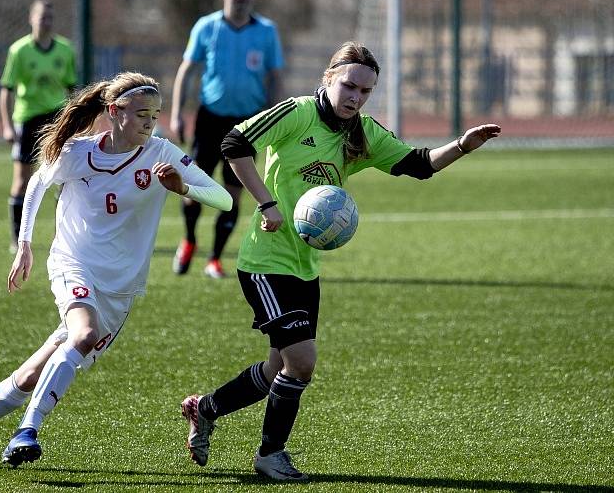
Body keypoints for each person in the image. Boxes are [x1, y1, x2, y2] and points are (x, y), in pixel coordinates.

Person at [179, 41, 502, 482]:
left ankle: (206, 408)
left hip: (304, 265)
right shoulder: (295, 113)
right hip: (264, 260)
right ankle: (270, 455)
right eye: (349, 85)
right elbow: (234, 143)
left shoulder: (360, 132)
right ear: (328, 78)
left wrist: (463, 145)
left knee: (278, 367)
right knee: (302, 362)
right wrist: (267, 203)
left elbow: (420, 164)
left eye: (365, 91)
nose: (355, 96)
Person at [0, 72, 232, 470]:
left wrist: (183, 188)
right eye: (141, 113)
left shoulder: (162, 153)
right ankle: (28, 430)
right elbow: (37, 185)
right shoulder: (79, 152)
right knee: (83, 333)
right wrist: (24, 246)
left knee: (32, 375)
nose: (149, 122)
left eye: (155, 115)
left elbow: (223, 198)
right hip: (74, 263)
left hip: (121, 289)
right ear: (113, 112)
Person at [169, 0, 284, 279]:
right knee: (193, 187)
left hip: (247, 124)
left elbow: (275, 77)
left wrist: (275, 120)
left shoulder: (266, 31)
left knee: (233, 194)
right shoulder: (207, 26)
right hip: (209, 120)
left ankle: (215, 258)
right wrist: (178, 112)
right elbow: (187, 71)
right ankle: (189, 240)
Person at [0, 0, 78, 251]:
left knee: (64, 176)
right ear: (31, 18)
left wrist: (75, 123)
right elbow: (6, 89)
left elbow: (72, 90)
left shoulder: (65, 49)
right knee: (22, 179)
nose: (46, 22)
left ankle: (63, 236)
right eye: (42, 17)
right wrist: (7, 125)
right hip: (28, 118)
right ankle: (16, 238)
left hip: (56, 118)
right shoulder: (19, 50)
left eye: (50, 17)